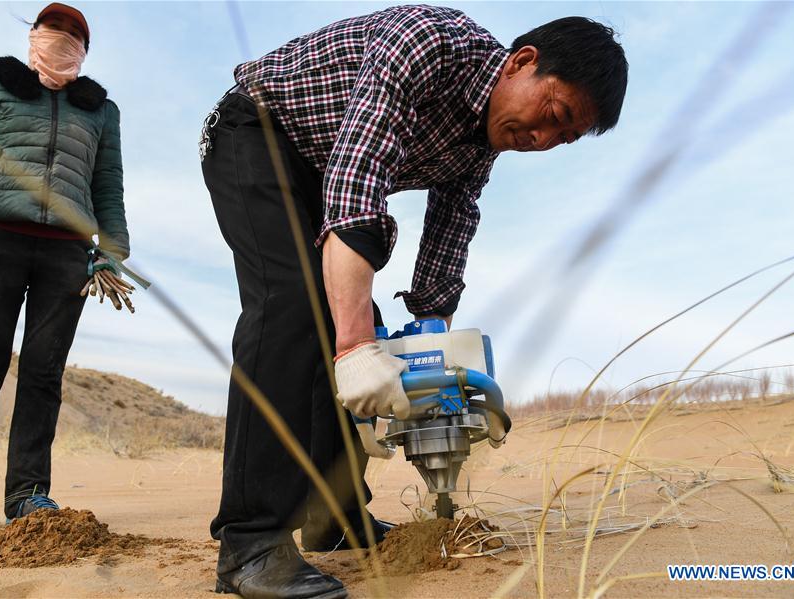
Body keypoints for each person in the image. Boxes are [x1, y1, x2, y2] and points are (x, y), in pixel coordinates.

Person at [200, 5, 627, 597]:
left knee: (368, 328)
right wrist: (353, 347)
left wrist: (432, 353)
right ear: (522, 63)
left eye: (564, 138)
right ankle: (250, 542)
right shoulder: (429, 42)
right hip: (255, 133)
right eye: (553, 114)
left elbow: (452, 227)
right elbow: (358, 175)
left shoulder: (481, 145)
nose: (543, 139)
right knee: (294, 308)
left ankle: (334, 516)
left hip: (320, 172)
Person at [0, 3, 128, 526]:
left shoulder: (100, 109)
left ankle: (28, 495)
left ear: (84, 49)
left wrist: (114, 248)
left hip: (68, 253)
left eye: (73, 34)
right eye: (52, 29)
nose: (61, 38)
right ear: (35, 35)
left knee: (43, 373)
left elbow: (107, 185)